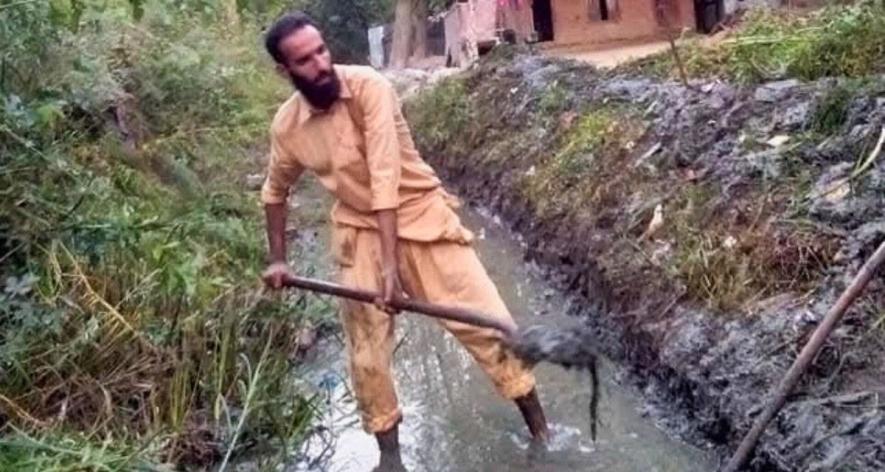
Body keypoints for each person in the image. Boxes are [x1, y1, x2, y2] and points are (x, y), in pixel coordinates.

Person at [259, 11, 549, 467]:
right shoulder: (287, 127)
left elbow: (385, 176)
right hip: (358, 229)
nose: (321, 64)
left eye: (322, 50)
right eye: (305, 60)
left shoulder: (370, 87)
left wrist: (393, 271)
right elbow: (274, 193)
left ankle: (541, 430)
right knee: (367, 356)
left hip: (420, 213)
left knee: (489, 324)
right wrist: (278, 259)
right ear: (285, 71)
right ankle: (390, 458)